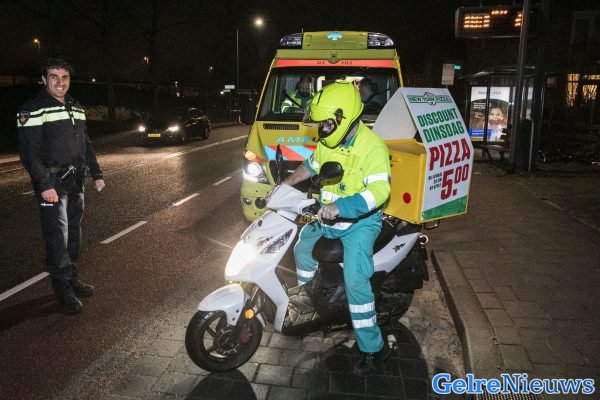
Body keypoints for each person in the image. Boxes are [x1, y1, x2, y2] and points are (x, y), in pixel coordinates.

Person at [282, 81, 392, 376]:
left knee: (356, 279)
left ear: (343, 118)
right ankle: (314, 310)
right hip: (328, 218)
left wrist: (342, 207)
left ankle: (373, 348)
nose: (322, 129)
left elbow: (380, 191)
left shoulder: (372, 147)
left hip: (360, 224)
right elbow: (311, 165)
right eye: (321, 124)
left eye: (327, 124)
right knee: (302, 249)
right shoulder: (329, 142)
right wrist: (286, 184)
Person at [17, 58, 105, 314]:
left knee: (74, 234)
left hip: (75, 181)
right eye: (53, 76)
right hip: (52, 185)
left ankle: (72, 278)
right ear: (43, 79)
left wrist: (96, 173)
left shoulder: (75, 107)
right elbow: (29, 153)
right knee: (58, 237)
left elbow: (86, 144)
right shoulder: (32, 109)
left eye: (64, 77)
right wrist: (44, 184)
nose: (60, 82)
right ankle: (62, 289)